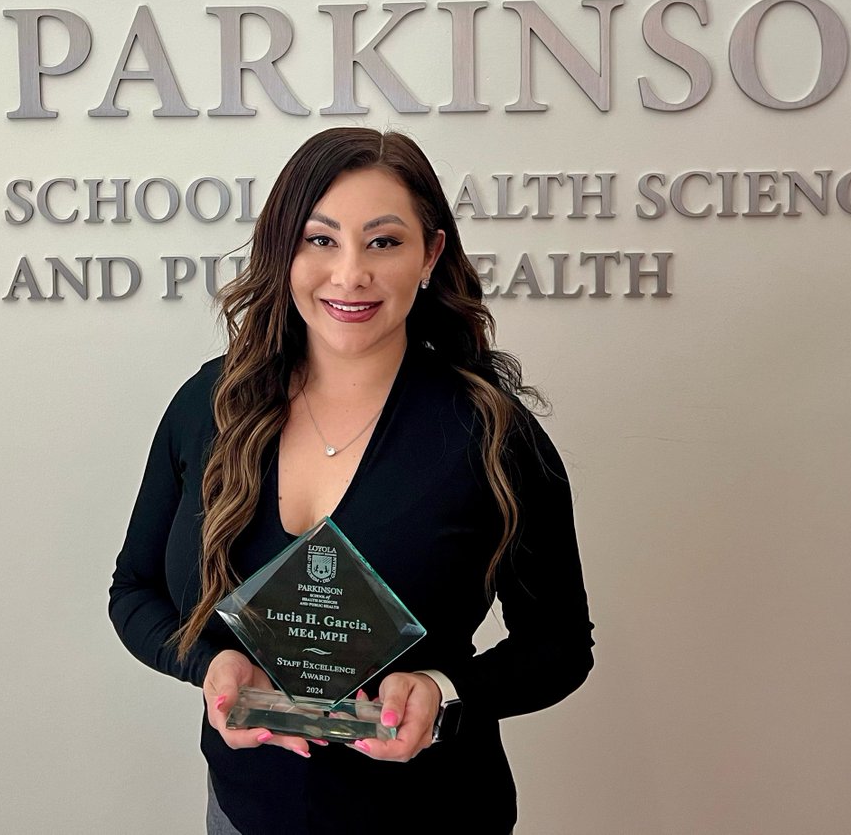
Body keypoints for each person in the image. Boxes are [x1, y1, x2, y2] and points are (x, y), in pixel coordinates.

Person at [109, 127, 593, 835]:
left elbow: (559, 645)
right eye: (320, 240)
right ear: (283, 251)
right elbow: (134, 592)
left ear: (430, 254)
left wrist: (443, 689)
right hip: (244, 814)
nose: (350, 274)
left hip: (435, 817)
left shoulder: (491, 433)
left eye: (384, 242)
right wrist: (209, 665)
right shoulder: (208, 406)